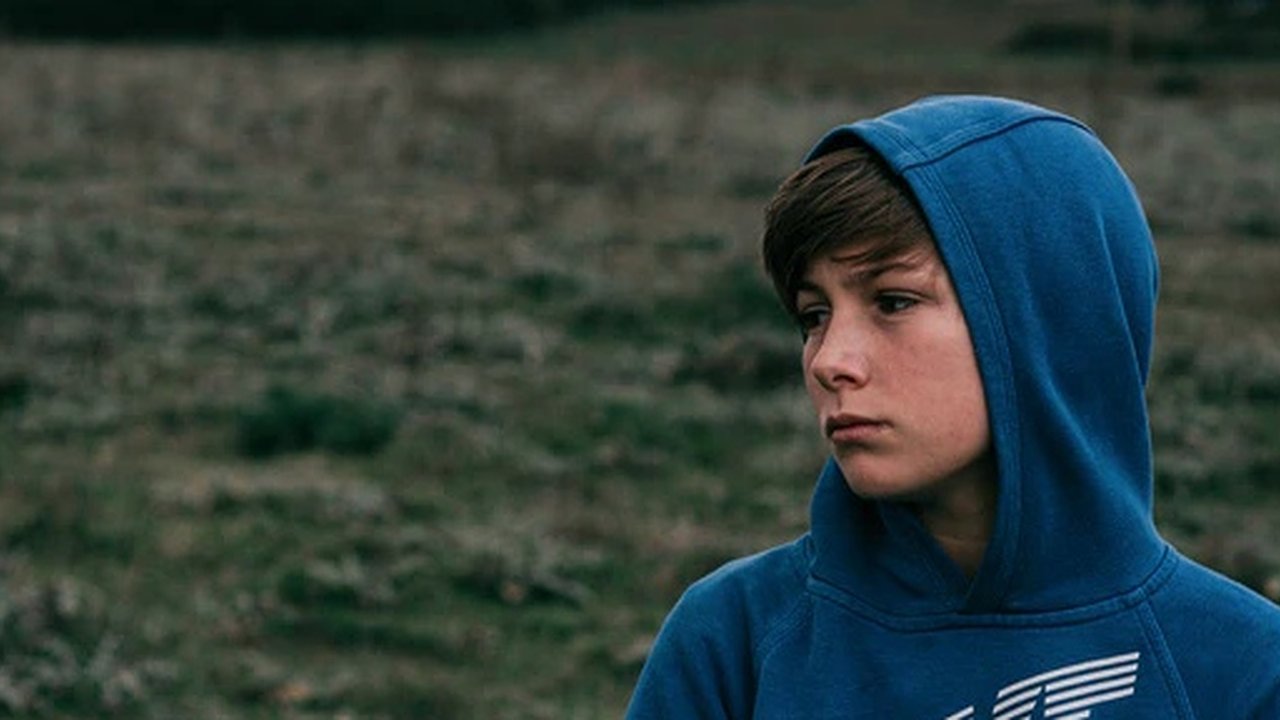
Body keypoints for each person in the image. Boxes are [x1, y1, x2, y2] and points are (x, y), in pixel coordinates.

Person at [625, 95, 1280, 718]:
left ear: (1046, 322)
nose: (829, 361)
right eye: (814, 315)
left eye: (893, 301)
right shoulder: (734, 644)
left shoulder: (1243, 670)